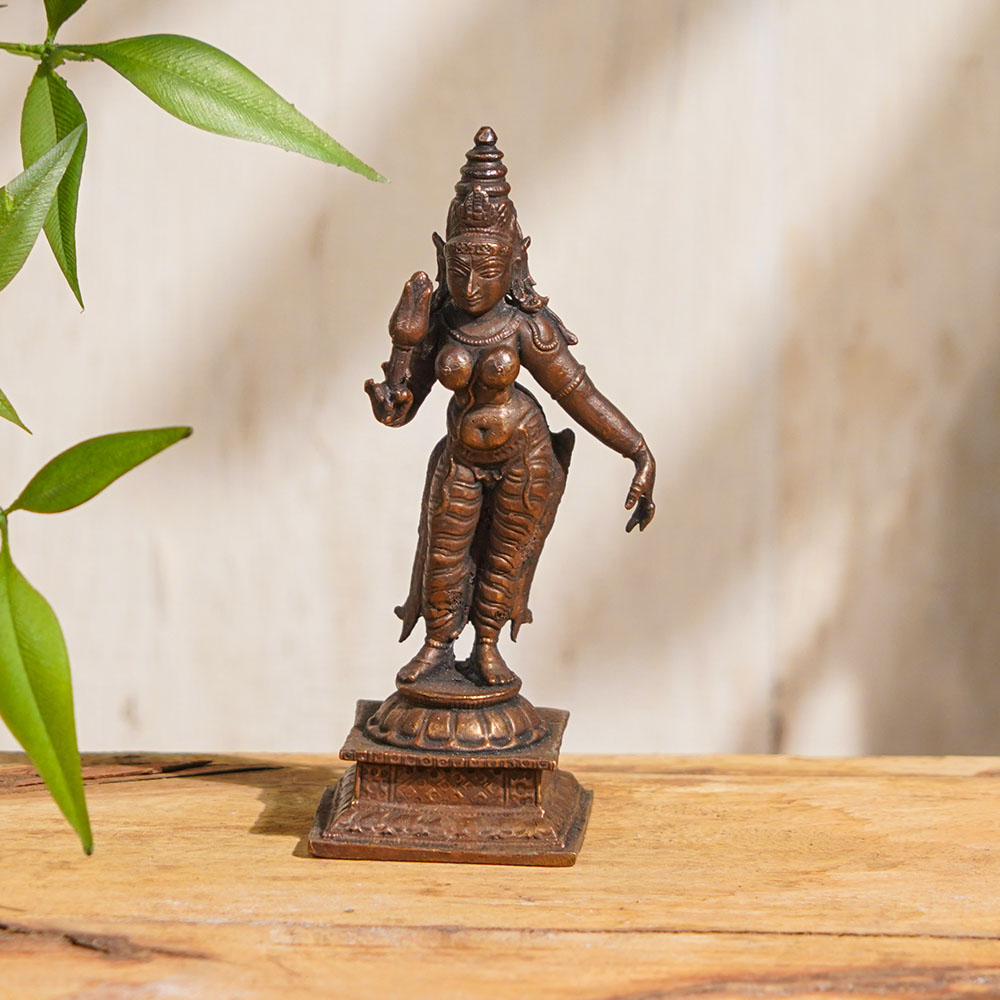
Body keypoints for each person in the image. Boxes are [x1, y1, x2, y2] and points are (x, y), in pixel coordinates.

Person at [365, 127, 655, 688]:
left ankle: (488, 647)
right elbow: (402, 408)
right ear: (442, 256)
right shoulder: (441, 321)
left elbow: (580, 396)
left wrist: (638, 452)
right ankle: (437, 645)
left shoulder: (527, 327)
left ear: (516, 260)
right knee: (444, 550)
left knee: (506, 554)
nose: (472, 285)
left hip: (526, 455)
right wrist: (403, 350)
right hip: (462, 455)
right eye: (459, 268)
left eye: (488, 268)